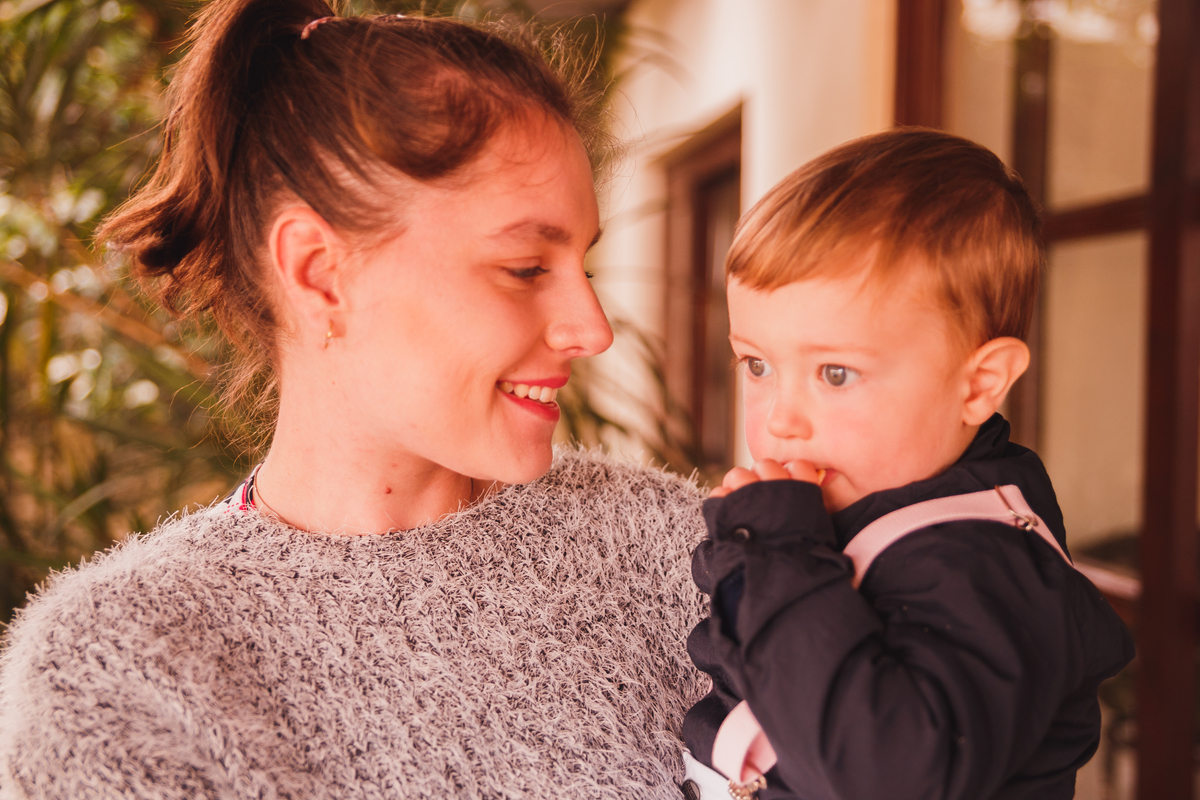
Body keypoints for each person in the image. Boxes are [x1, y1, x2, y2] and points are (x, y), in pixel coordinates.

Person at [0, 3, 709, 797]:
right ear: (318, 273)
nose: (593, 328)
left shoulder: (683, 555)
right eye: (525, 268)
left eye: (581, 262)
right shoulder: (118, 673)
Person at [680, 129, 1134, 800]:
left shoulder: (990, 569)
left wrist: (772, 555)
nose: (780, 418)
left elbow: (885, 774)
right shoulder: (861, 513)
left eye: (835, 373)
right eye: (758, 364)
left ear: (978, 385)